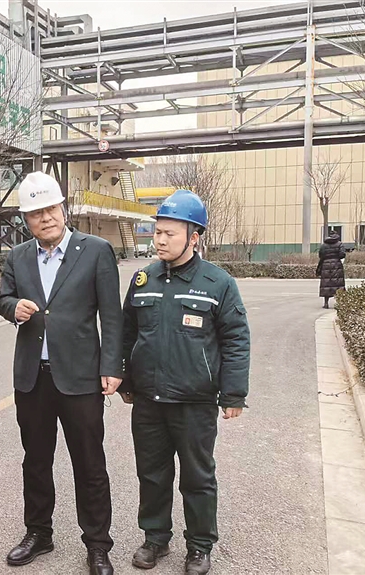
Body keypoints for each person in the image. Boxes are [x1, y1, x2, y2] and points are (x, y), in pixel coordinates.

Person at [0, 171, 123, 575]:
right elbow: (3, 298)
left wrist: (112, 366)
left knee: (89, 463)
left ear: (63, 209)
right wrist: (13, 308)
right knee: (35, 460)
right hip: (33, 378)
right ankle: (39, 532)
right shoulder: (18, 257)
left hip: (81, 378)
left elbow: (112, 316)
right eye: (36, 213)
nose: (45, 218)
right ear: (27, 220)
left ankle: (98, 544)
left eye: (51, 209)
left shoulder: (96, 251)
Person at [120, 189, 250, 575]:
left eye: (169, 234)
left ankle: (199, 546)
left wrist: (233, 394)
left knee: (198, 478)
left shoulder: (217, 283)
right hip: (149, 401)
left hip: (195, 401)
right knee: (152, 474)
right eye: (157, 232)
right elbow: (127, 333)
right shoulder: (143, 279)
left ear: (193, 237)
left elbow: (236, 339)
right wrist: (126, 380)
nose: (159, 240)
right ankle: (155, 538)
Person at [317, 231, 346, 308]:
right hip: (336, 264)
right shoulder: (339, 244)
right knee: (338, 284)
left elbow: (320, 255)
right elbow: (342, 254)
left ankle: (326, 303)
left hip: (326, 265)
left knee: (326, 284)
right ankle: (339, 303)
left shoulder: (323, 245)